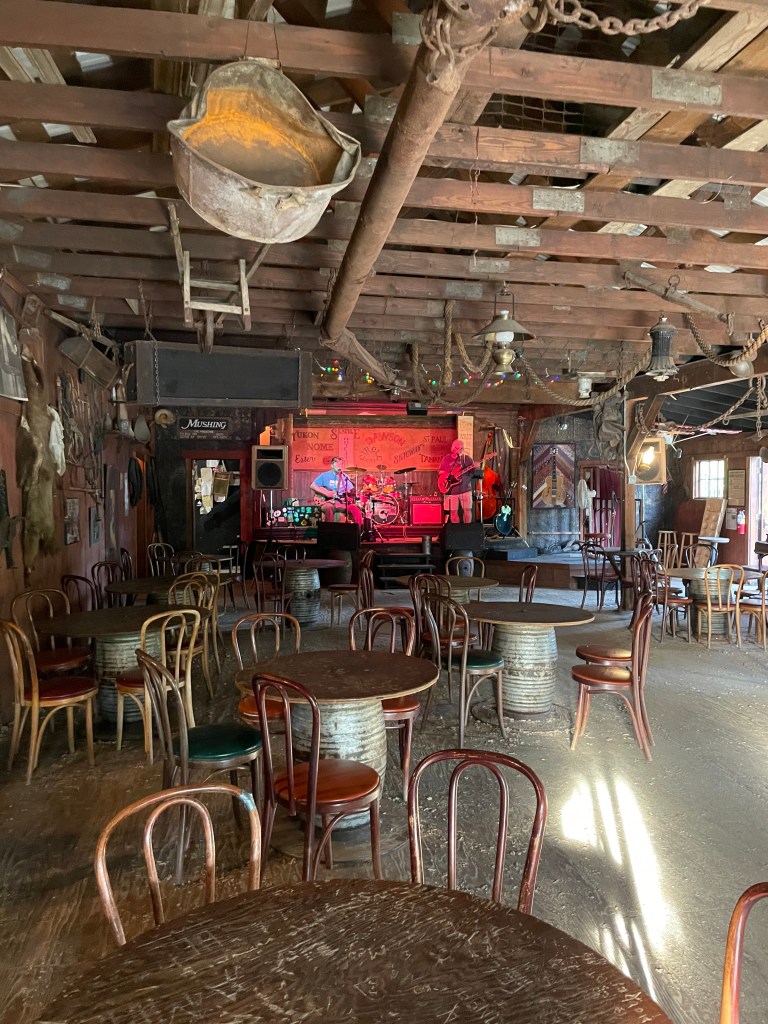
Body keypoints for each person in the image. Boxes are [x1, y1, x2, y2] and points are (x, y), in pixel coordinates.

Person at [310, 456, 363, 525]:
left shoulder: (345, 477)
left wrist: (349, 496)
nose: (339, 465)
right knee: (329, 508)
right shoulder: (325, 475)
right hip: (328, 502)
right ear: (332, 465)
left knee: (355, 509)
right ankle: (329, 530)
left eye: (341, 464)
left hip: (341, 503)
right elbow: (312, 486)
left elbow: (349, 491)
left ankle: (359, 530)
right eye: (337, 463)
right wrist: (326, 493)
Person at [439, 439, 477, 524]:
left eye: (461, 448)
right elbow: (440, 471)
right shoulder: (447, 459)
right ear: (453, 448)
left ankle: (467, 529)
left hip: (466, 489)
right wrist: (450, 474)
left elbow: (473, 472)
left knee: (467, 509)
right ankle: (456, 529)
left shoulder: (467, 459)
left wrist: (476, 466)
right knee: (453, 511)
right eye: (458, 448)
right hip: (451, 490)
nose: (460, 450)